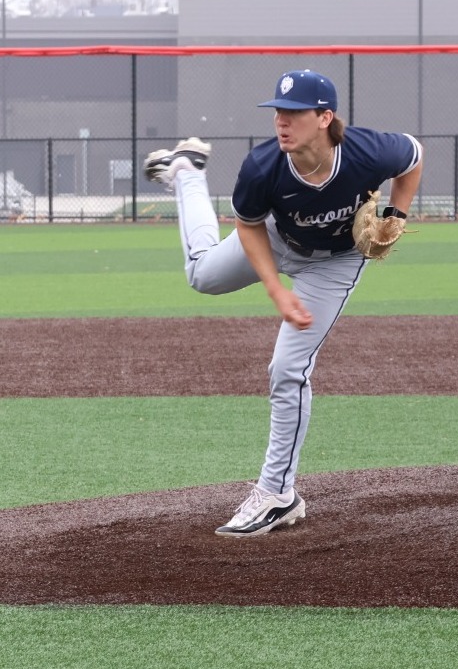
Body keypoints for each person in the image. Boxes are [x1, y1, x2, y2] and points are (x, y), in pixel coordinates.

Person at [143, 69, 423, 537]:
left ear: (324, 117)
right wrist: (276, 291)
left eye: (293, 112)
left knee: (288, 369)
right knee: (201, 275)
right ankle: (188, 173)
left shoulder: (368, 151)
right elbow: (249, 225)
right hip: (274, 240)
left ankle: (277, 494)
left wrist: (396, 212)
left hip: (333, 263)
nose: (281, 121)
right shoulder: (263, 166)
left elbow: (413, 157)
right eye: (278, 111)